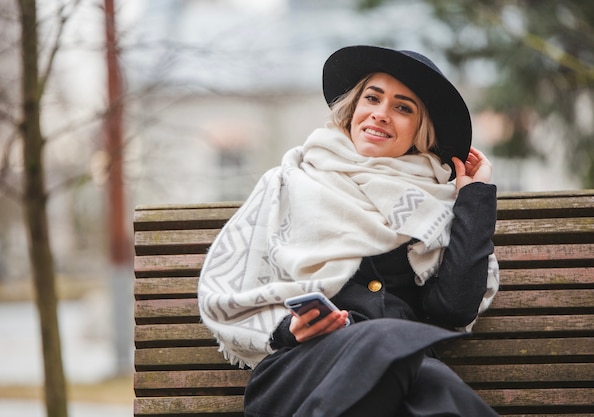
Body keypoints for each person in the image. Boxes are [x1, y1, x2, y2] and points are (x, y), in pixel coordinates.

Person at [198, 45, 500, 417]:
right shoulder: (289, 183)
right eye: (372, 98)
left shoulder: (435, 206)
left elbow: (454, 309)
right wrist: (287, 330)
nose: (381, 114)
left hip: (401, 366)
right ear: (353, 109)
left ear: (420, 130)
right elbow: (226, 290)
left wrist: (474, 199)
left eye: (403, 107)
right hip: (304, 370)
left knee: (425, 377)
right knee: (414, 365)